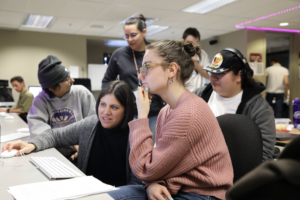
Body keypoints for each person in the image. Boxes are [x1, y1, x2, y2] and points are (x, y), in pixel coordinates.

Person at [107, 40, 233, 200]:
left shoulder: (187, 113)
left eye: (147, 67)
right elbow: (156, 166)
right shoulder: (167, 110)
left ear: (172, 70)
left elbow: (145, 169)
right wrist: (151, 184)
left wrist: (142, 115)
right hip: (179, 188)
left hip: (201, 195)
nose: (140, 75)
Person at [3, 80, 141, 187]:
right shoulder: (91, 124)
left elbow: (136, 186)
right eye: (103, 104)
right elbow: (55, 135)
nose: (106, 112)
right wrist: (31, 145)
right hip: (85, 190)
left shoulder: (136, 135)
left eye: (114, 107)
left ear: (126, 110)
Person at [194, 48, 276, 162]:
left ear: (239, 75)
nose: (213, 77)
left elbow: (263, 156)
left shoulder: (259, 109)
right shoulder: (199, 96)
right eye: (212, 72)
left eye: (220, 73)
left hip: (238, 174)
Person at [102, 14, 164, 141]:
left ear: (144, 32)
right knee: (130, 151)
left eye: (133, 35)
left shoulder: (156, 53)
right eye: (126, 36)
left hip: (154, 113)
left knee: (151, 152)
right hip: (129, 114)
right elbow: (107, 81)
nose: (129, 39)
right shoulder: (119, 55)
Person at [27, 55, 96, 158]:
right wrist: (73, 144)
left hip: (84, 151)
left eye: (69, 76)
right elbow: (42, 134)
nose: (72, 80)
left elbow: (93, 125)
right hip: (55, 155)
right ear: (51, 87)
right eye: (67, 79)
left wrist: (83, 147)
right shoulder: (40, 101)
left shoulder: (82, 93)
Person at [182, 27, 210, 92]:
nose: (193, 45)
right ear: (183, 40)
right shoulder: (178, 54)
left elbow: (209, 76)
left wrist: (196, 64)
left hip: (199, 93)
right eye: (190, 42)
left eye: (196, 42)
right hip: (183, 94)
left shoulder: (203, 54)